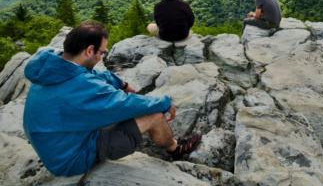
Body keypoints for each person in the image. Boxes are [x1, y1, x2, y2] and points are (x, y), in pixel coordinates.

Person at [23, 21, 202, 177]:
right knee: (154, 115)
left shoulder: (52, 64)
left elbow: (86, 72)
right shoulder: (82, 86)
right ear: (89, 50)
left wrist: (121, 83)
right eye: (102, 52)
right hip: (72, 159)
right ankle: (175, 148)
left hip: (57, 145)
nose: (102, 56)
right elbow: (126, 104)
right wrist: (164, 102)